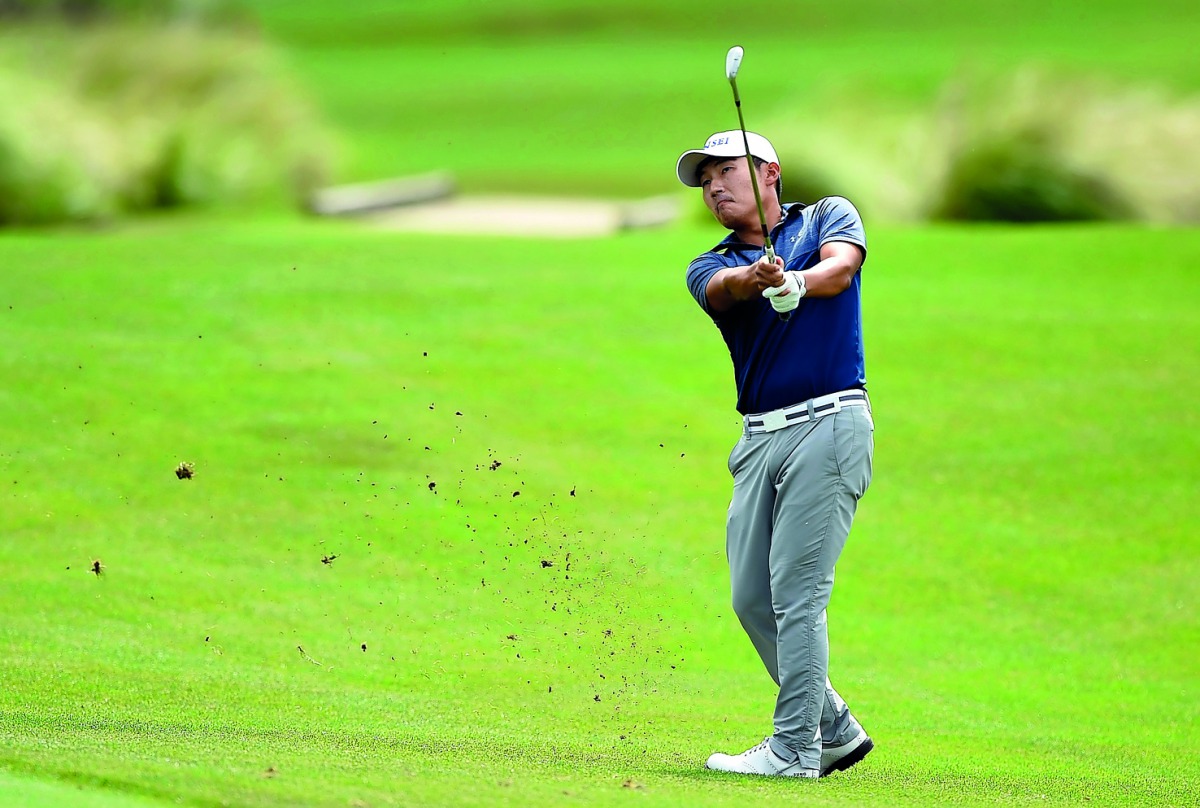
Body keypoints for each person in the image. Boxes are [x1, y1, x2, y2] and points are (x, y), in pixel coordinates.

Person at [675, 130, 876, 778]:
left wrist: (798, 281)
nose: (713, 186)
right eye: (704, 180)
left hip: (831, 423)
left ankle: (795, 749)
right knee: (750, 599)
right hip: (759, 439)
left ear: (770, 173)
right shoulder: (708, 263)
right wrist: (760, 277)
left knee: (796, 593)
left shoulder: (826, 216)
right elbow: (726, 288)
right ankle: (834, 727)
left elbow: (841, 266)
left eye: (725, 171)